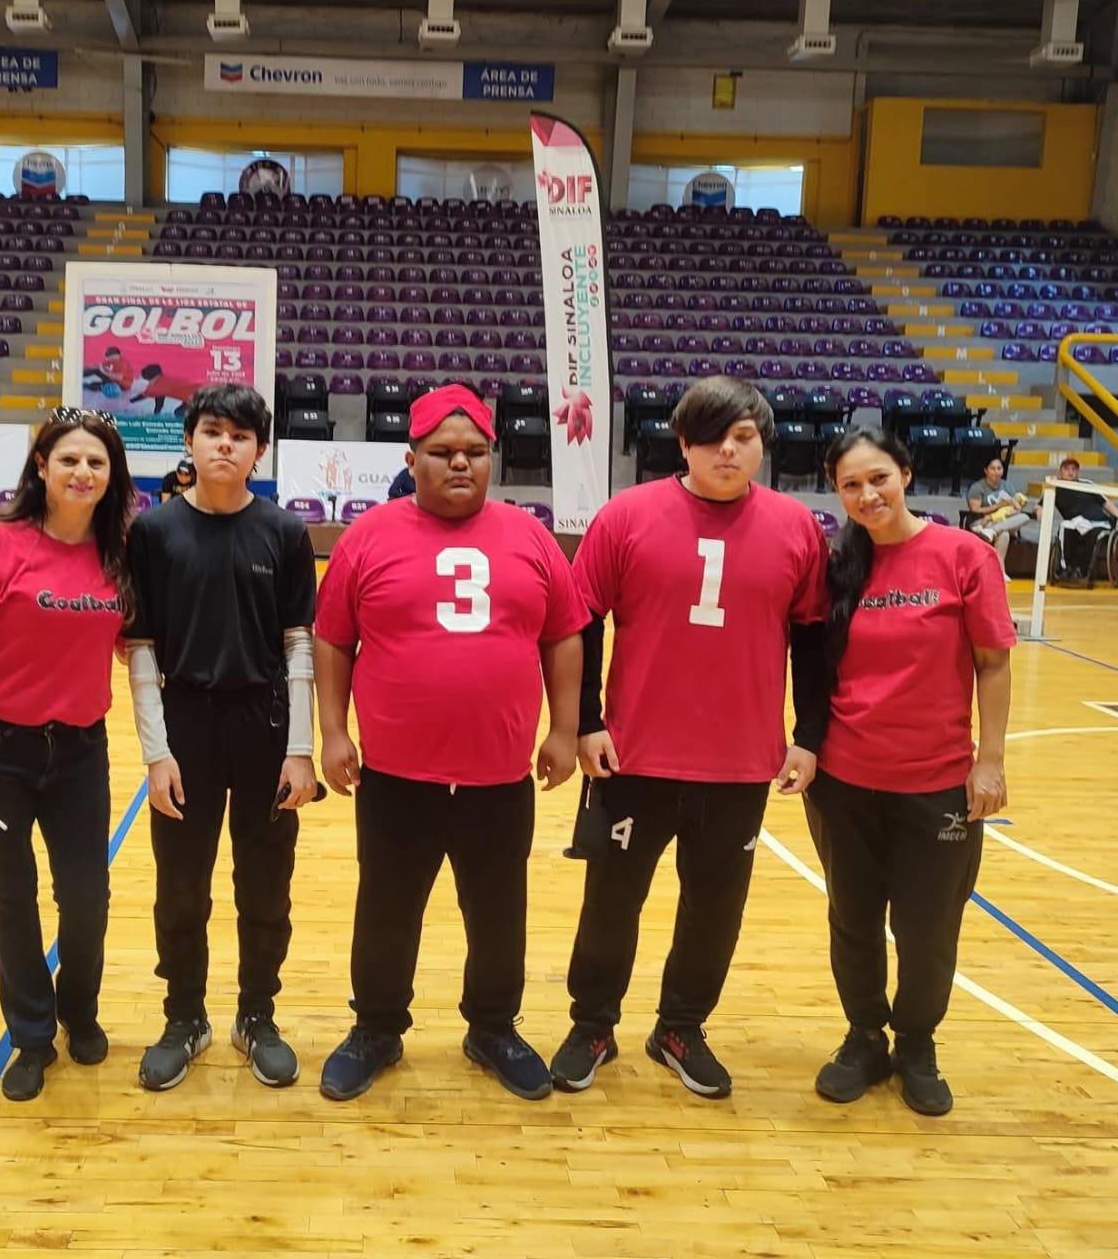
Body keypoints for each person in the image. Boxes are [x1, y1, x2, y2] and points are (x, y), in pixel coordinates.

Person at [550, 375, 830, 1100]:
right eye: (713, 437)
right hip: (633, 754)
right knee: (611, 901)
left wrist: (809, 734)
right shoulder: (627, 515)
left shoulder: (797, 527)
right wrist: (585, 720)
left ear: (763, 444)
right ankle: (593, 1024)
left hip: (741, 761)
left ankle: (680, 1025)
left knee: (714, 907)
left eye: (744, 437)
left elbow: (813, 637)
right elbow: (582, 621)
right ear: (683, 442)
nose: (729, 450)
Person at [313, 385, 584, 1102]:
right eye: (442, 453)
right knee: (387, 906)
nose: (460, 463)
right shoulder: (369, 535)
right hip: (398, 774)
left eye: (474, 452)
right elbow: (333, 638)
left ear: (492, 458)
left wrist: (563, 727)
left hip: (498, 775)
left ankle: (492, 1026)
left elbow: (565, 633)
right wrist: (334, 730)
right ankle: (376, 1027)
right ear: (412, 458)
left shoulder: (529, 535)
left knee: (498, 909)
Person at [0, 409, 133, 1103]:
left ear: (112, 477)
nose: (82, 473)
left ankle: (81, 1010)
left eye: (96, 463)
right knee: (10, 897)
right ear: (40, 465)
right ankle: (33, 1035)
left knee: (85, 897)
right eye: (69, 459)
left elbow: (138, 645)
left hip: (78, 752)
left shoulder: (119, 554)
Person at [805, 428, 1014, 1116]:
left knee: (927, 928)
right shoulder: (836, 564)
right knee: (853, 918)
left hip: (938, 784)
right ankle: (864, 1036)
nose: (868, 495)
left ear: (907, 472)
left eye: (879, 478)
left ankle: (916, 1042)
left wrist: (990, 760)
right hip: (845, 780)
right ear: (837, 492)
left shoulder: (965, 555)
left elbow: (992, 661)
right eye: (851, 485)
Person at [125, 383, 319, 1091]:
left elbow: (299, 644)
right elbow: (141, 648)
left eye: (241, 435)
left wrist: (300, 747)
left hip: (265, 725)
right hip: (187, 726)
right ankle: (185, 1016)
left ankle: (257, 1015)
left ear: (259, 449)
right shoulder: (152, 533)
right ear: (189, 441)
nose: (225, 444)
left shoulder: (284, 533)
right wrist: (156, 752)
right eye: (212, 431)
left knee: (266, 886)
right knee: (180, 887)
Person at [965, 458, 1037, 577]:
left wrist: (1015, 508)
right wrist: (998, 506)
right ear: (986, 471)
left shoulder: (1006, 485)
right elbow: (975, 509)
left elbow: (1016, 507)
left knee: (1024, 517)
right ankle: (1000, 571)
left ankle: (993, 531)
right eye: (992, 468)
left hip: (1003, 521)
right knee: (1004, 534)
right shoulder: (977, 487)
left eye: (999, 468)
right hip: (981, 522)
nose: (996, 472)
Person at [1050, 457, 1116, 583]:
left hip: (1098, 523)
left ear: (1078, 472)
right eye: (1067, 469)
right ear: (1060, 471)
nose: (1070, 472)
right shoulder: (1055, 486)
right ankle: (1066, 568)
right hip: (1075, 523)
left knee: (1092, 534)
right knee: (1065, 526)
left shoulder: (1087, 484)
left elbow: (1107, 504)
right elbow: (1040, 505)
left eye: (1074, 469)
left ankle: (1083, 571)